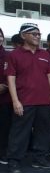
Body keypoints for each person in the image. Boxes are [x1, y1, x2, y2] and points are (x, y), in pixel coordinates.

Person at [5, 23, 50, 173]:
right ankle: (14, 162)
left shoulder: (45, 54)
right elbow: (11, 78)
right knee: (19, 132)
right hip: (24, 101)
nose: (37, 36)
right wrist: (15, 101)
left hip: (44, 101)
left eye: (39, 34)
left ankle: (39, 158)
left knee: (44, 131)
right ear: (23, 36)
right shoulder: (14, 55)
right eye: (33, 34)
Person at [0, 27, 13, 164]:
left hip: (4, 98)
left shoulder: (8, 55)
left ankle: (3, 153)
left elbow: (12, 75)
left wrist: (4, 85)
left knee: (5, 127)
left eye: (0, 35)